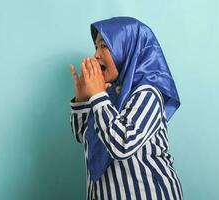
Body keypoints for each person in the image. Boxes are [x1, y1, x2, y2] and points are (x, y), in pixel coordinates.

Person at [70, 16, 183, 200]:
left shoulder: (148, 93)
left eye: (104, 46)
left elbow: (122, 144)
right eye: (96, 47)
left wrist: (98, 97)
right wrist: (83, 99)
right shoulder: (109, 94)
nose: (96, 55)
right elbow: (85, 137)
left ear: (127, 48)